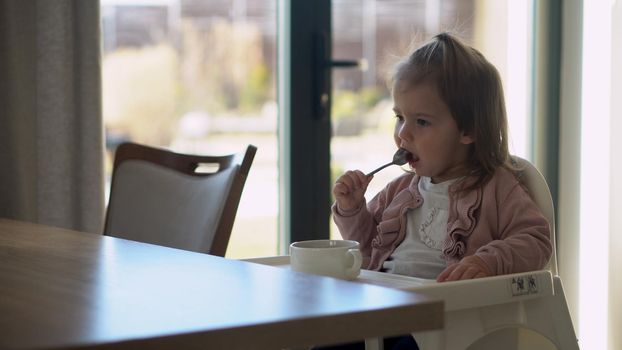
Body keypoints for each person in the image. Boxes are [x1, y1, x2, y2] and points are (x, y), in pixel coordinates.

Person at [324, 32, 552, 350]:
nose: (403, 133)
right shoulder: (398, 190)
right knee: (323, 340)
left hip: (452, 323)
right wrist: (353, 210)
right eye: (400, 117)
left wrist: (488, 262)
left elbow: (536, 241)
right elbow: (364, 253)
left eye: (422, 122)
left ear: (469, 129)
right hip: (384, 311)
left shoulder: (498, 188)